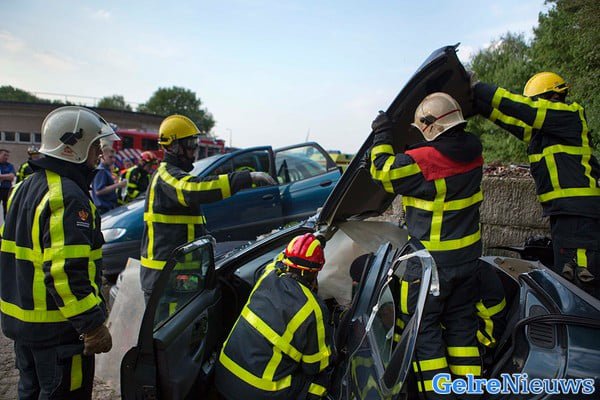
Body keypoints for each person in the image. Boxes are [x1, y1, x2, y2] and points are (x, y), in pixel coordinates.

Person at [369, 93, 483, 399]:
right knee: (462, 331)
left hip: (431, 267)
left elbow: (382, 171)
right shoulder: (474, 152)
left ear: (432, 126)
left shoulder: (425, 160)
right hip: (467, 261)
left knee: (424, 333)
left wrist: (382, 134)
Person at [0, 106, 115, 399]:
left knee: (31, 391)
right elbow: (65, 272)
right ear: (75, 149)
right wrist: (92, 325)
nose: (98, 156)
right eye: (94, 147)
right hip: (58, 332)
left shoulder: (22, 188)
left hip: (26, 328)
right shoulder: (67, 197)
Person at [472, 72, 600, 299]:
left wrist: (479, 87)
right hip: (566, 214)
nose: (533, 105)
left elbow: (523, 108)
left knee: (582, 282)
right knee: (568, 279)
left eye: (536, 100)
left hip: (579, 215)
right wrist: (476, 103)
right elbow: (509, 119)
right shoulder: (544, 132)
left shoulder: (569, 115)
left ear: (554, 97)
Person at [140, 114, 275, 302]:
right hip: (164, 279)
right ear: (173, 146)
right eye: (190, 143)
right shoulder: (167, 176)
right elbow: (194, 189)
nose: (194, 149)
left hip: (175, 276)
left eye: (195, 142)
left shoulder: (174, 174)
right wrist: (245, 178)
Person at [215, 233, 334, 400]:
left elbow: (278, 260)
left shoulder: (267, 275)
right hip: (258, 392)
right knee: (321, 381)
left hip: (224, 376)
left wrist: (307, 244)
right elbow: (315, 365)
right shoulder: (313, 308)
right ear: (315, 272)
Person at [91, 141, 127, 214]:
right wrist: (118, 185)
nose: (113, 160)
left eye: (114, 157)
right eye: (110, 157)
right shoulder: (101, 170)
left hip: (107, 208)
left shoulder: (106, 170)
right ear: (102, 156)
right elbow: (99, 191)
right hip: (104, 209)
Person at [0, 148, 15, 219]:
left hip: (6, 189)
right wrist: (6, 176)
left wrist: (1, 176)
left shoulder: (10, 166)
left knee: (7, 208)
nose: (6, 157)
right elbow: (9, 176)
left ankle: (6, 224)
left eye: (7, 155)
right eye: (4, 155)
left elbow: (11, 177)